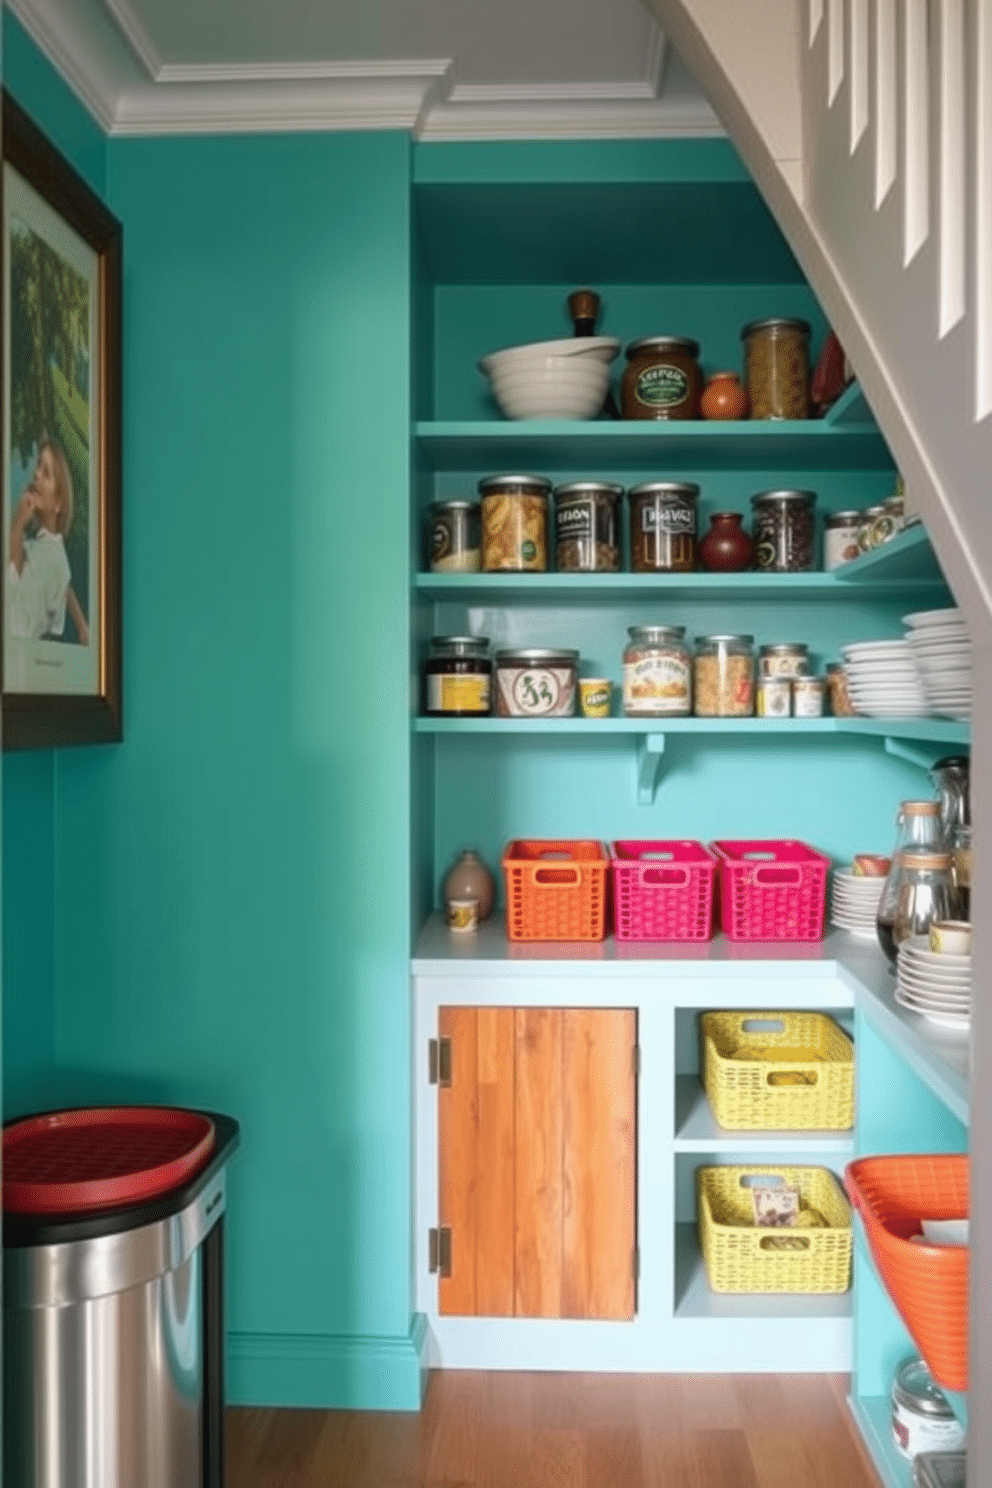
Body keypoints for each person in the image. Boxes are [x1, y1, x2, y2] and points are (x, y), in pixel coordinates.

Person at [7, 437, 88, 644]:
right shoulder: (41, 547)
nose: (36, 474)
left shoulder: (51, 557)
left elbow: (17, 610)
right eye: (38, 467)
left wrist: (18, 523)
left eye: (47, 473)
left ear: (59, 504)